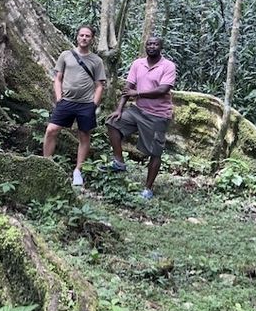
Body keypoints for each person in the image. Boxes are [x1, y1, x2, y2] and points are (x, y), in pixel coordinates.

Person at [107, 36, 176, 200]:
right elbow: (128, 88)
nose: (152, 46)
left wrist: (137, 93)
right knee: (112, 122)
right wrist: (119, 109)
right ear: (145, 46)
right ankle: (119, 161)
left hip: (158, 114)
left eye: (155, 44)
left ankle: (148, 188)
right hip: (138, 110)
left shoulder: (168, 66)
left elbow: (163, 90)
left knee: (155, 152)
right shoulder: (138, 64)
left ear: (161, 47)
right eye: (149, 44)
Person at [43, 25, 106, 187]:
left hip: (86, 105)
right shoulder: (66, 55)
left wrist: (94, 104)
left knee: (84, 136)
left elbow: (99, 85)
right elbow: (57, 78)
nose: (84, 38)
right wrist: (59, 98)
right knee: (51, 130)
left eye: (87, 36)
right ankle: (46, 164)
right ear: (77, 37)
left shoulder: (96, 61)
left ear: (92, 39)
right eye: (81, 35)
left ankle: (78, 170)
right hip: (66, 102)